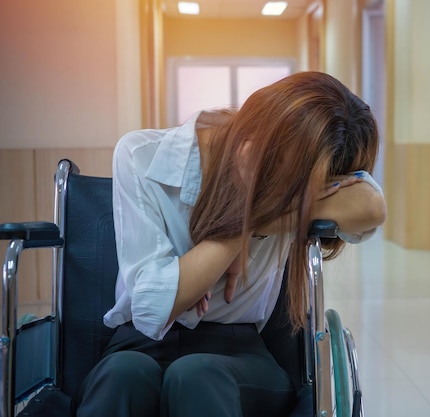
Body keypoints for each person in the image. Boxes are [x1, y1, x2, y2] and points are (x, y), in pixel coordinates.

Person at [71, 71, 386, 417]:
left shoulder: (305, 162)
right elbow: (151, 310)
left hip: (240, 348)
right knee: (122, 376)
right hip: (137, 342)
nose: (294, 194)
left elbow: (372, 207)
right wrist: (245, 227)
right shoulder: (141, 154)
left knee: (197, 376)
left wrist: (253, 214)